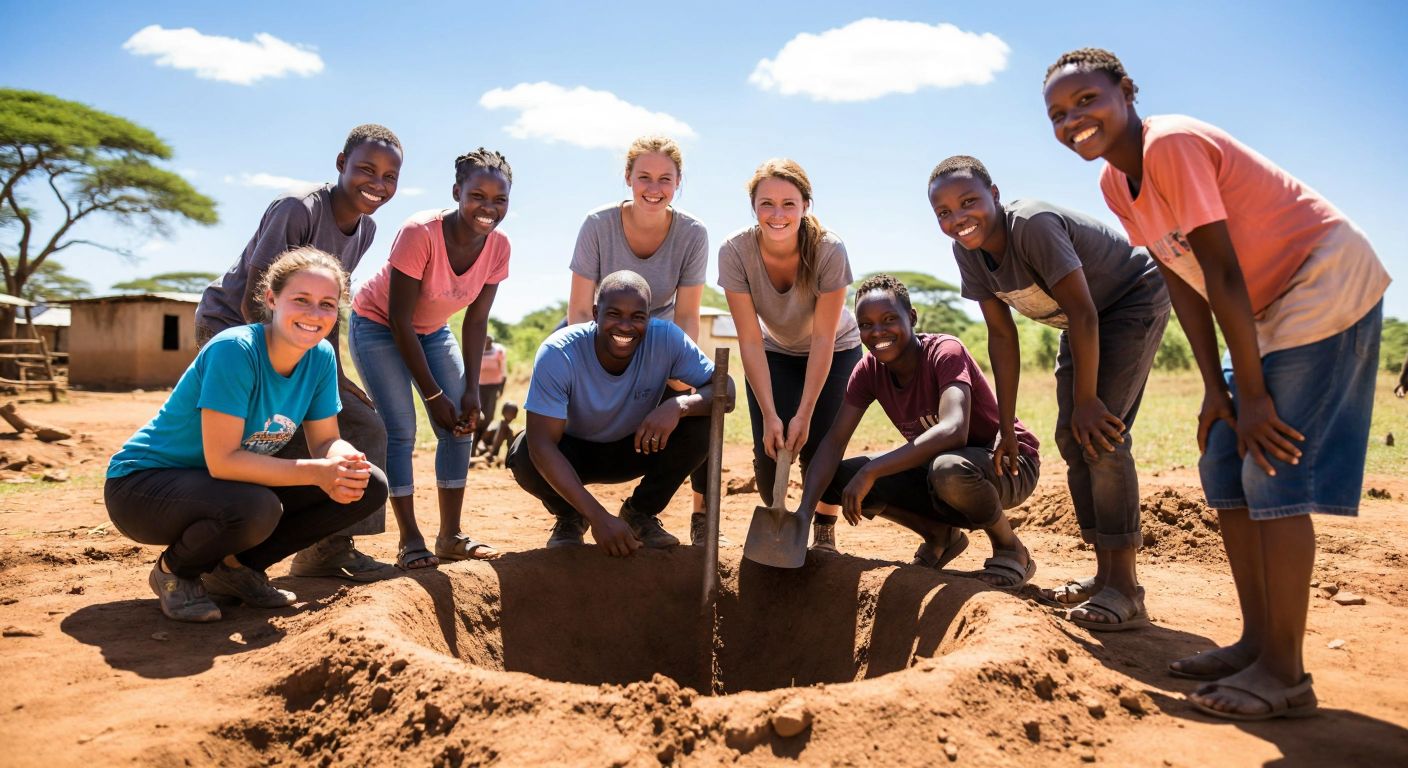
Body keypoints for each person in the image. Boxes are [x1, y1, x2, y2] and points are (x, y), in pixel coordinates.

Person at [1044, 48, 1390, 720]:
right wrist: (1217, 389)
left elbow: (1224, 273)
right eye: (1058, 113)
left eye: (1087, 100)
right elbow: (1185, 282)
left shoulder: (1171, 144)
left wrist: (1253, 394)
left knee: (1269, 464)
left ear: (1125, 90)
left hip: (1320, 280)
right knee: (1223, 459)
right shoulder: (1117, 185)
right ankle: (1258, 642)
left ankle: (1285, 673)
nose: (1073, 119)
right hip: (1260, 309)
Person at [929, 155, 1170, 630]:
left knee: (1101, 434)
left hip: (1127, 300)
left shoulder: (1033, 225)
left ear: (994, 195)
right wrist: (1006, 428)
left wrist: (1088, 401)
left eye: (968, 202)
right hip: (1077, 321)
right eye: (943, 212)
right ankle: (1105, 577)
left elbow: (1085, 312)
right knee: (1070, 437)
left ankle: (1125, 587)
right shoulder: (968, 252)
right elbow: (1002, 337)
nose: (958, 219)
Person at [106, 248, 388, 622]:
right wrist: (318, 472)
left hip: (221, 486)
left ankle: (233, 569)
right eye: (301, 300)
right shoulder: (235, 351)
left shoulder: (319, 356)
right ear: (271, 299)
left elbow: (324, 440)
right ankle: (175, 572)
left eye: (327, 304)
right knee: (256, 507)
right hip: (143, 488)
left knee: (369, 484)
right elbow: (223, 461)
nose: (314, 314)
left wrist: (344, 459)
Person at [193, 123, 403, 583]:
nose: (378, 184)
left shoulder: (366, 228)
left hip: (296, 337)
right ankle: (220, 553)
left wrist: (337, 377)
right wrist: (283, 374)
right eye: (366, 169)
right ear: (340, 164)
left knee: (364, 423)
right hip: (234, 325)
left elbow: (327, 304)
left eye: (390, 176)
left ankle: (329, 546)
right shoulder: (298, 208)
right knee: (269, 434)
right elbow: (256, 294)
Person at [797, 275, 1041, 587]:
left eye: (888, 319)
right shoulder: (869, 370)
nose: (877, 332)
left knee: (947, 468)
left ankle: (1010, 549)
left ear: (911, 318)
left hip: (1007, 465)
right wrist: (803, 513)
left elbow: (954, 430)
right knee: (839, 476)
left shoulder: (945, 352)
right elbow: (833, 442)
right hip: (941, 474)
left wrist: (872, 470)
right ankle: (940, 537)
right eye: (866, 324)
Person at [349, 148, 513, 570]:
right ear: (457, 191)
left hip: (433, 331)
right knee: (401, 431)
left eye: (500, 199)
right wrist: (433, 394)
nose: (488, 208)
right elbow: (400, 321)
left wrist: (471, 390)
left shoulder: (498, 247)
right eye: (478, 195)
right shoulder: (420, 232)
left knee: (462, 422)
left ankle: (451, 536)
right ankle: (410, 538)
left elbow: (476, 322)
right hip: (379, 325)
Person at [508, 271, 734, 555]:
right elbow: (542, 446)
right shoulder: (559, 352)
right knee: (525, 452)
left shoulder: (666, 340)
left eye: (637, 317)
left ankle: (639, 513)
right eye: (614, 314)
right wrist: (598, 517)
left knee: (702, 420)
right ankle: (570, 516)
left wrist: (678, 406)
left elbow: (726, 390)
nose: (625, 326)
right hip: (574, 455)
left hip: (638, 445)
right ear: (595, 314)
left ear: (649, 318)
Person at [567, 136, 712, 532]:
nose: (654, 188)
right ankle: (570, 515)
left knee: (700, 413)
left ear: (678, 182)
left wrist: (676, 381)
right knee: (556, 420)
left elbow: (687, 314)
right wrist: (592, 371)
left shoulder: (692, 234)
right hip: (596, 339)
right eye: (644, 176)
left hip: (657, 344)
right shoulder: (598, 224)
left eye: (665, 179)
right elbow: (580, 309)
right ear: (628, 177)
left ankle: (642, 511)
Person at [718, 158, 862, 552]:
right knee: (771, 458)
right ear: (753, 207)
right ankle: (780, 520)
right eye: (766, 204)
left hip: (836, 348)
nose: (777, 214)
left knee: (820, 445)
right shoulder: (735, 251)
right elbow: (748, 339)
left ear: (805, 205)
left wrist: (805, 412)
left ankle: (824, 528)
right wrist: (770, 415)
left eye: (788, 204)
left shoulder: (829, 250)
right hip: (774, 350)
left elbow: (822, 339)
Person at [475, 335, 508, 446]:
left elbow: (503, 371)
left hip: (493, 387)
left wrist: (501, 388)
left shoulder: (498, 352)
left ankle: (482, 438)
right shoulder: (478, 350)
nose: (487, 343)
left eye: (489, 341)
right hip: (480, 386)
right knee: (479, 413)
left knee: (489, 415)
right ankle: (475, 439)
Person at [475, 401, 519, 465]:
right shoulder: (494, 426)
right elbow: (481, 442)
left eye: (512, 413)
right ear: (503, 412)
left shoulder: (509, 431)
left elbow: (510, 447)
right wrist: (486, 450)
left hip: (492, 455)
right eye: (508, 412)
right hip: (483, 451)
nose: (510, 415)